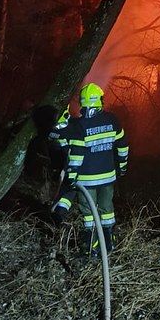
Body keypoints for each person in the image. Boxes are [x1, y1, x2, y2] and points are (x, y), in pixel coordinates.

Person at [51, 83, 129, 257]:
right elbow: (123, 146)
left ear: (83, 102)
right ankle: (109, 243)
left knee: (88, 213)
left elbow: (70, 152)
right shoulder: (112, 120)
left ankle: (91, 247)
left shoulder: (78, 125)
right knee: (107, 209)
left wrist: (62, 125)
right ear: (99, 101)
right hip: (108, 177)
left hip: (86, 180)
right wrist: (122, 167)